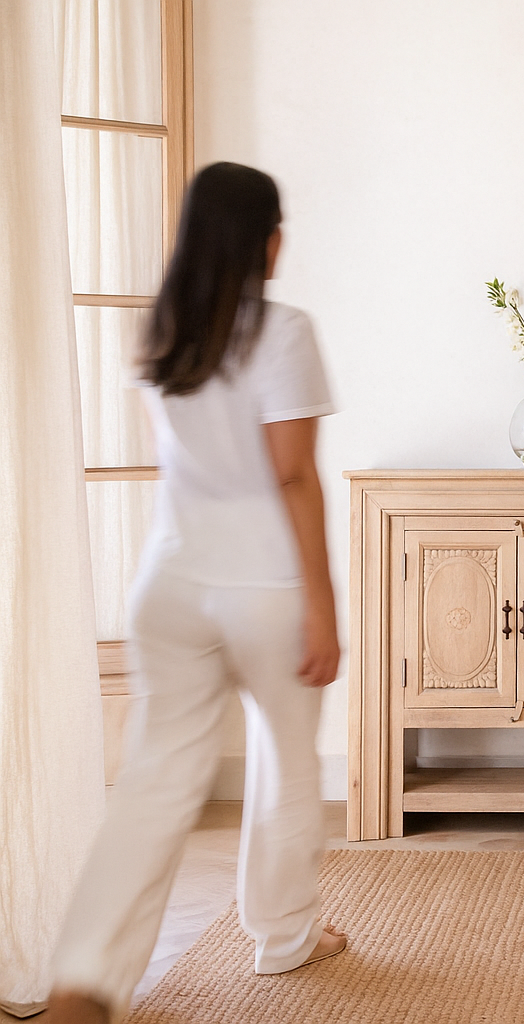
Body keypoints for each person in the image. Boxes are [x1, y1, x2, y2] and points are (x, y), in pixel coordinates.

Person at [49, 162, 346, 1023]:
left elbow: (181, 462)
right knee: (289, 768)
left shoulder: (160, 332)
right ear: (267, 242)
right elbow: (293, 477)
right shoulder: (284, 331)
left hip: (170, 585)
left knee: (153, 784)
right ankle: (285, 937)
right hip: (264, 589)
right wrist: (322, 606)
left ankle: (86, 976)